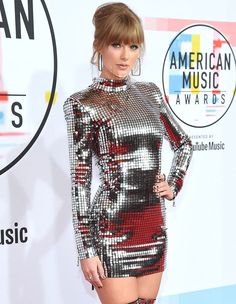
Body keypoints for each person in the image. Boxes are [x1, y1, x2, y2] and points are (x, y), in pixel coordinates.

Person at [63, 2, 193, 304]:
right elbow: (80, 185)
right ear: (99, 45)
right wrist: (87, 251)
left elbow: (184, 143)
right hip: (111, 230)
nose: (125, 55)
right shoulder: (82, 104)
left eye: (133, 46)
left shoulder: (150, 93)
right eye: (116, 44)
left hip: (153, 228)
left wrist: (173, 184)